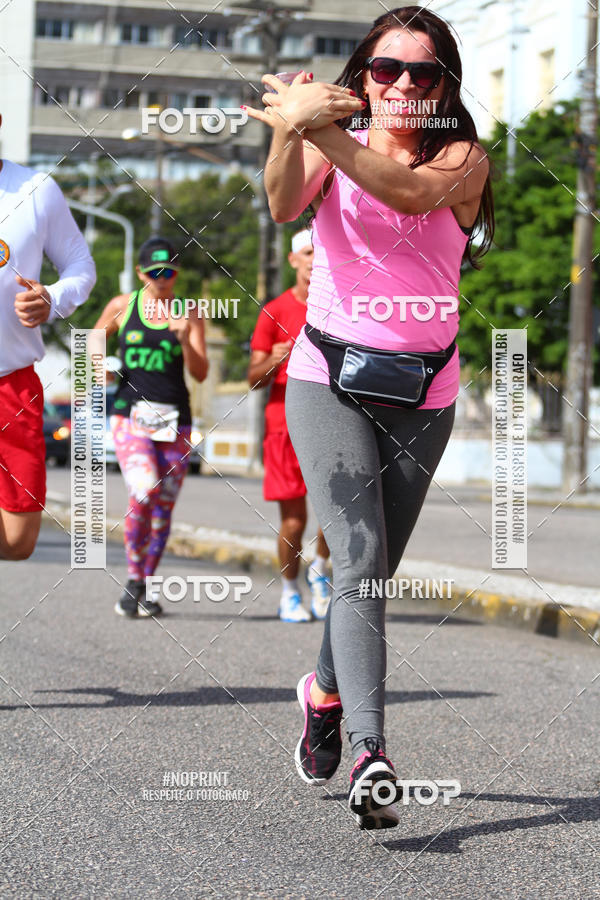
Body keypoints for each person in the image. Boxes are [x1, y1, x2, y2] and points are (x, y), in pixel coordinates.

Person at [245, 6, 493, 829]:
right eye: (386, 69)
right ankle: (371, 753)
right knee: (357, 561)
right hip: (327, 379)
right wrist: (291, 130)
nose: (403, 86)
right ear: (364, 74)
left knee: (372, 569)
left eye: (422, 73)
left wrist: (323, 126)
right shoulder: (325, 142)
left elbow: (406, 190)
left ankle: (321, 691)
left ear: (444, 86)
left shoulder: (462, 157)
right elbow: (284, 204)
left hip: (425, 391)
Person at [93, 238, 208, 617]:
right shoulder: (123, 306)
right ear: (142, 273)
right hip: (131, 416)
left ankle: (143, 585)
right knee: (143, 491)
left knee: (162, 510)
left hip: (176, 421)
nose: (163, 279)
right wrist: (100, 370)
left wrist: (184, 340)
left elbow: (201, 372)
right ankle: (133, 577)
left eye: (170, 271)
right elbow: (92, 343)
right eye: (155, 272)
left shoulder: (189, 311)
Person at [0, 136, 96, 560]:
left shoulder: (36, 189)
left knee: (18, 542)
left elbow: (80, 267)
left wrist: (51, 299)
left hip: (12, 385)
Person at [248, 229, 331, 623]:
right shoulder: (274, 311)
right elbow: (253, 377)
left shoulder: (341, 307)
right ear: (294, 259)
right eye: (309, 252)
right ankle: (289, 592)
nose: (316, 258)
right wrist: (277, 358)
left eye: (323, 251)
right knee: (294, 521)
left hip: (332, 424)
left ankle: (321, 572)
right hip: (284, 426)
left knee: (337, 515)